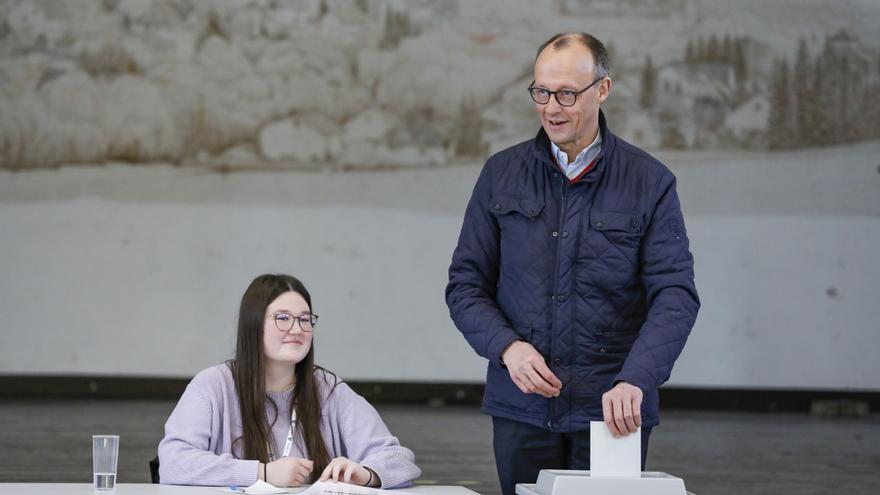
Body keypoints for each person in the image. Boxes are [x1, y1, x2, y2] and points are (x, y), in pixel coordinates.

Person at [445, 32, 700, 495]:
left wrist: (636, 380)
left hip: (612, 409)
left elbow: (675, 296)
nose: (552, 108)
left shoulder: (650, 182)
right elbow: (465, 285)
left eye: (567, 93)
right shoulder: (501, 174)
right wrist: (508, 348)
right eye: (541, 92)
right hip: (521, 405)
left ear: (603, 89)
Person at [158, 274, 421, 488]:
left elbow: (400, 460)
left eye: (305, 319)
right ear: (254, 324)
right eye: (283, 318)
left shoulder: (329, 390)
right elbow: (173, 462)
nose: (297, 329)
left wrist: (365, 473)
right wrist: (262, 473)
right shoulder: (213, 386)